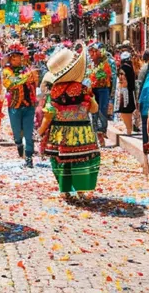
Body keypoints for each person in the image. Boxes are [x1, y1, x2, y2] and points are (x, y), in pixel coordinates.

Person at [38, 47, 101, 197]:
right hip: (82, 132)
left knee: (62, 161)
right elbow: (94, 108)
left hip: (60, 133)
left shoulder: (54, 91)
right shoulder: (83, 89)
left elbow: (49, 114)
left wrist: (40, 131)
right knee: (82, 160)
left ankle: (65, 190)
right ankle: (81, 190)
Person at [4, 45, 38, 168]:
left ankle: (29, 158)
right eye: (13, 57)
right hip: (15, 106)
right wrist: (25, 77)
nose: (16, 59)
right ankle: (19, 144)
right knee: (17, 133)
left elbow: (35, 81)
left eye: (17, 56)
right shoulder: (6, 71)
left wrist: (32, 76)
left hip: (29, 106)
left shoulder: (28, 69)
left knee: (29, 134)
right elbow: (11, 83)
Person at [87, 44, 113, 147]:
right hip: (93, 90)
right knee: (94, 111)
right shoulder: (90, 64)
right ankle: (96, 134)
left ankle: (101, 132)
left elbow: (112, 77)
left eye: (94, 52)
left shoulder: (107, 62)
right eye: (91, 52)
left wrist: (112, 93)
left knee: (102, 110)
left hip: (103, 89)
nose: (92, 54)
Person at [115, 68, 135, 133]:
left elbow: (122, 83)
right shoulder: (130, 70)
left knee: (125, 111)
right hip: (127, 93)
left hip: (124, 93)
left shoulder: (122, 71)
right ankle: (129, 129)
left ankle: (129, 130)